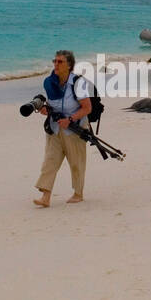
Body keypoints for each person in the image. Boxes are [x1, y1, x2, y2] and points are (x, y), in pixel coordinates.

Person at [33, 50, 92, 207]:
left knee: (76, 162)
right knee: (50, 161)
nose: (56, 64)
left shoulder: (78, 83)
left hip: (75, 128)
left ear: (69, 65)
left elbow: (87, 108)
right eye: (55, 61)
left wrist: (70, 119)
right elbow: (51, 104)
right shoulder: (50, 82)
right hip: (55, 128)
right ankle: (45, 197)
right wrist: (44, 109)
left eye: (60, 62)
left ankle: (78, 193)